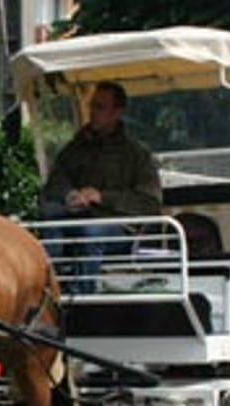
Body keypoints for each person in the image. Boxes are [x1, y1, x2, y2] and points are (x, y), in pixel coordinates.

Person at [39, 81, 162, 293]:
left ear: (117, 112)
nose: (93, 113)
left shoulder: (136, 154)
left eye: (100, 107)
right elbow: (54, 183)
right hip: (76, 219)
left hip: (119, 229)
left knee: (91, 232)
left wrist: (101, 197)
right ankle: (48, 288)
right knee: (51, 215)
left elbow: (150, 202)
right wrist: (70, 195)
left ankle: (83, 296)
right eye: (92, 106)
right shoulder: (75, 148)